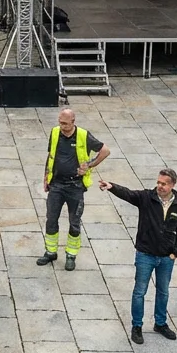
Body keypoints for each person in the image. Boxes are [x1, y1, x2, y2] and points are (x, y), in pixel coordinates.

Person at [99, 168, 177, 344]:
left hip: (166, 257)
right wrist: (111, 186)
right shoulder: (147, 197)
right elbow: (128, 194)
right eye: (158, 182)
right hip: (145, 254)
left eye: (164, 183)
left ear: (172, 185)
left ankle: (160, 323)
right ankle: (137, 326)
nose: (160, 186)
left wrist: (176, 251)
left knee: (163, 292)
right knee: (139, 292)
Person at [38, 109, 110, 271]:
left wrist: (89, 165)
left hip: (75, 187)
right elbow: (51, 155)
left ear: (73, 121)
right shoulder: (55, 132)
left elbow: (105, 151)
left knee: (74, 222)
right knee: (51, 219)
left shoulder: (84, 136)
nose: (62, 126)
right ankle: (50, 251)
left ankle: (71, 255)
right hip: (56, 185)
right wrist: (46, 177)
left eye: (65, 123)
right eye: (60, 122)